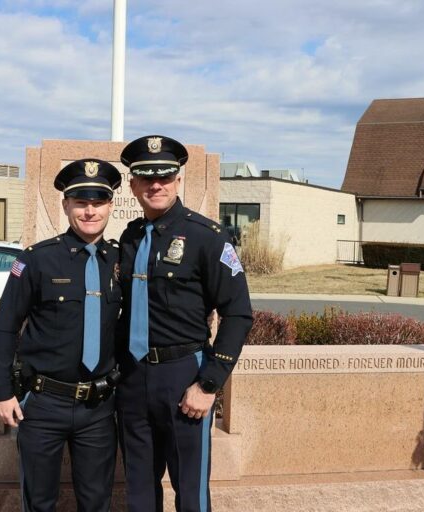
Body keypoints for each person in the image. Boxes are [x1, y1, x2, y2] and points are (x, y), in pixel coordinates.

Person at [116, 135, 253, 512]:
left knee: (190, 494)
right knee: (139, 494)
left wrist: (209, 383)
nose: (155, 184)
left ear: (178, 181)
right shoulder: (129, 238)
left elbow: (238, 313)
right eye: (146, 177)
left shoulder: (207, 237)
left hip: (184, 378)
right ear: (134, 185)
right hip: (132, 379)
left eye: (164, 176)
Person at [0, 158, 122, 512]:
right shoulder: (36, 260)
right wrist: (2, 392)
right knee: (40, 501)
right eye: (80, 202)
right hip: (44, 403)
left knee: (96, 502)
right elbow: (5, 326)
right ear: (66, 206)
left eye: (98, 202)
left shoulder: (119, 260)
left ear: (109, 206)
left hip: (99, 406)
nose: (89, 211)